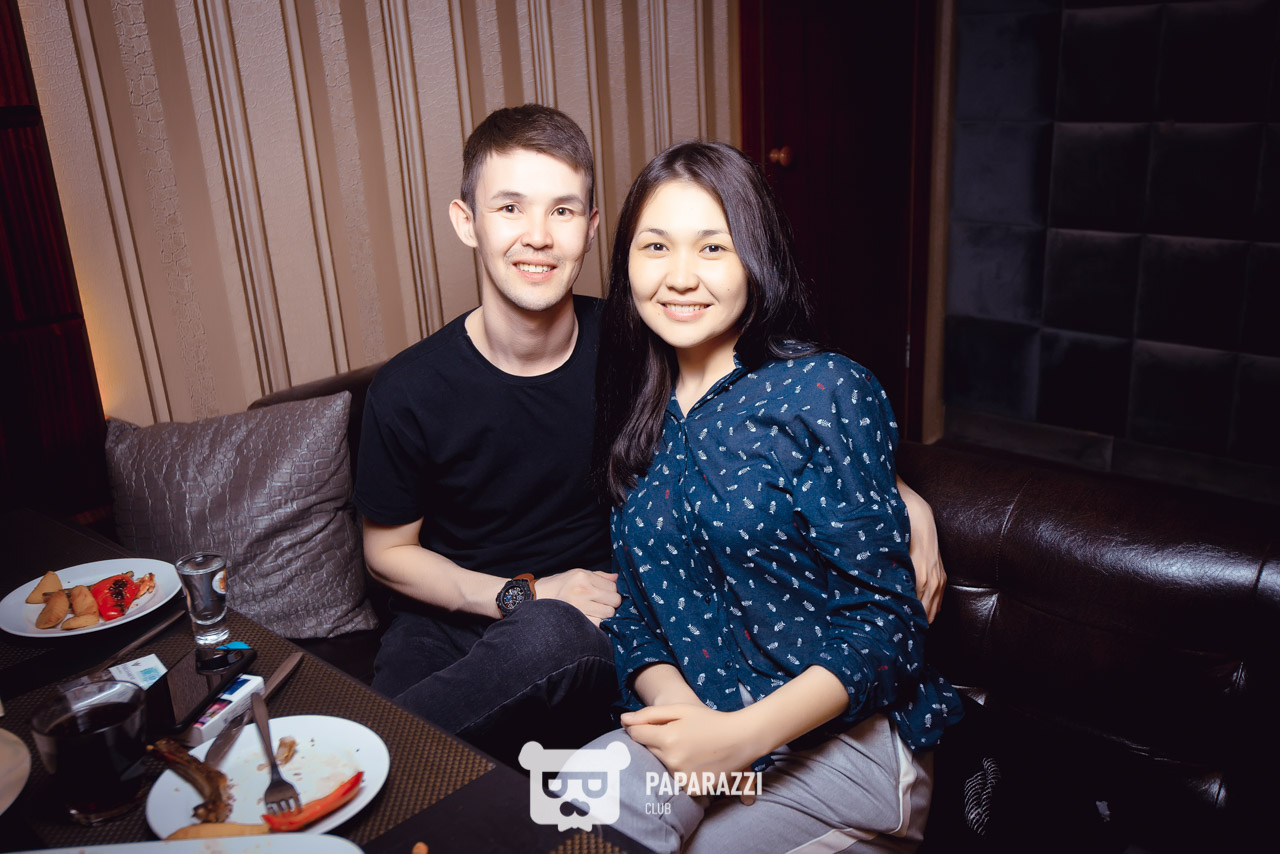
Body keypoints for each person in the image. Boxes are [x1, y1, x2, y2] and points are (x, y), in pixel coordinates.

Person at [354, 105, 947, 765]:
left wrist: (902, 496)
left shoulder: (640, 341)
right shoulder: (408, 388)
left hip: (586, 616)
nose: (537, 237)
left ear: (591, 229)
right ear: (467, 222)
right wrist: (519, 593)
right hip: (454, 610)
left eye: (562, 210)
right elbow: (386, 554)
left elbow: (773, 406)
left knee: (530, 650)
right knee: (390, 757)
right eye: (510, 208)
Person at [574, 140, 964, 852]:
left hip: (846, 749)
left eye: (713, 248)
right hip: (709, 722)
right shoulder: (637, 418)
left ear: (756, 259)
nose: (680, 276)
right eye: (656, 246)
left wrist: (737, 739)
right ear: (626, 262)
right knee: (571, 805)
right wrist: (686, 724)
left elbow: (886, 628)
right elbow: (638, 616)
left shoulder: (824, 389)